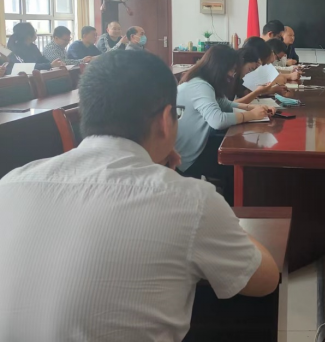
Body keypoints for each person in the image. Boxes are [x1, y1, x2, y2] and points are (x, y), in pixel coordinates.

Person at [0, 49, 280, 341]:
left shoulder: (11, 184)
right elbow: (266, 280)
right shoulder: (190, 201)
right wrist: (216, 215)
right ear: (165, 120)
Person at [176, 46, 273, 178]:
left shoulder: (204, 83)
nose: (232, 75)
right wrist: (251, 115)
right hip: (188, 159)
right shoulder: (200, 86)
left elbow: (226, 104)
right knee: (240, 160)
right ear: (220, 68)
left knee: (242, 147)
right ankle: (232, 191)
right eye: (231, 69)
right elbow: (218, 121)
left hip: (197, 146)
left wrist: (255, 109)